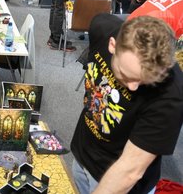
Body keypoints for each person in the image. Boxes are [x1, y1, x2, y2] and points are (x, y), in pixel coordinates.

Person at [71, 14, 183, 194]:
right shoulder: (101, 27)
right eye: (126, 75)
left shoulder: (171, 96)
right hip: (83, 152)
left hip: (119, 182)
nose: (133, 87)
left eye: (144, 81)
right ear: (112, 45)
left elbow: (130, 171)